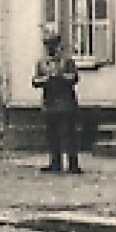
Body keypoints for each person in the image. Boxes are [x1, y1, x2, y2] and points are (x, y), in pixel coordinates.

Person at [32, 32, 81, 173]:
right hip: (50, 103)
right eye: (48, 46)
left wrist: (61, 77)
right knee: (52, 134)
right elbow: (35, 80)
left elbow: (75, 77)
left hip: (66, 102)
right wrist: (46, 79)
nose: (51, 49)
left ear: (58, 45)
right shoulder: (41, 63)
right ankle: (55, 162)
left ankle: (73, 164)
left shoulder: (67, 61)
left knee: (69, 134)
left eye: (53, 45)